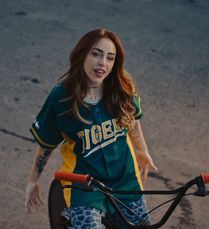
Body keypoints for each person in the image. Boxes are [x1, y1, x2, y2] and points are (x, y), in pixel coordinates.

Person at [25, 28, 158, 228]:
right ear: (82, 55)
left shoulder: (122, 86)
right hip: (85, 186)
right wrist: (33, 181)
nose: (103, 63)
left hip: (125, 180)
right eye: (96, 54)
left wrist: (142, 150)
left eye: (110, 58)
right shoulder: (61, 97)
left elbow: (133, 119)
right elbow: (46, 143)